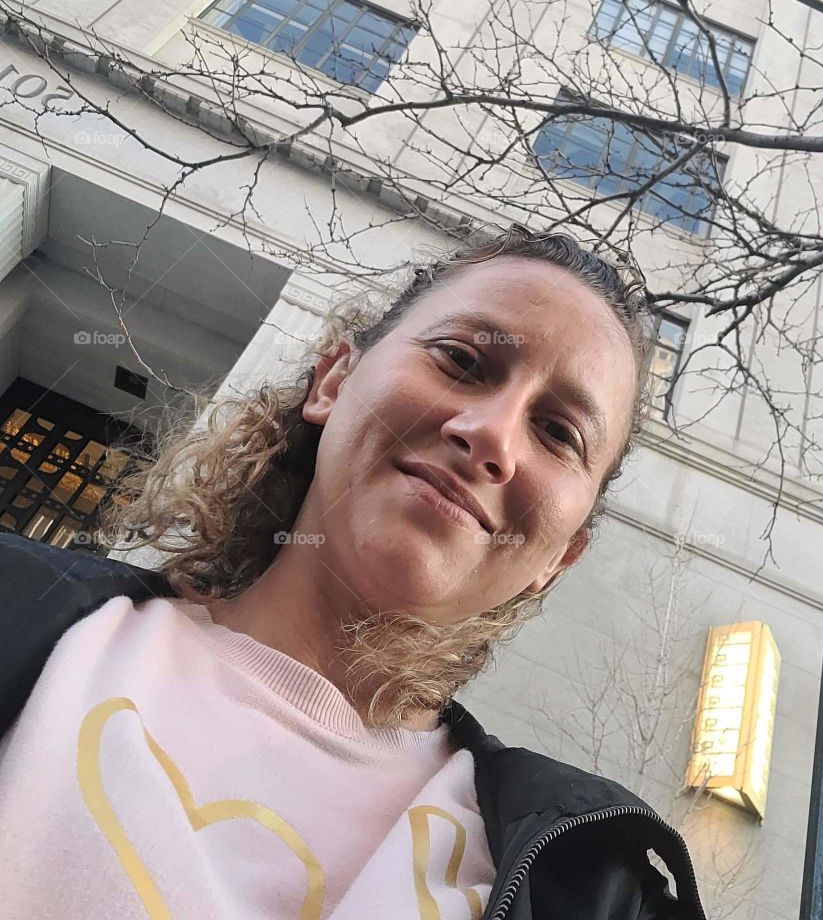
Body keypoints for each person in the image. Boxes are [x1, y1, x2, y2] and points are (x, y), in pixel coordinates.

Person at [0, 225, 706, 919]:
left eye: (558, 433)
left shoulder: (597, 894)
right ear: (335, 380)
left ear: (559, 558)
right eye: (462, 361)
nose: (493, 434)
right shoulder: (22, 603)